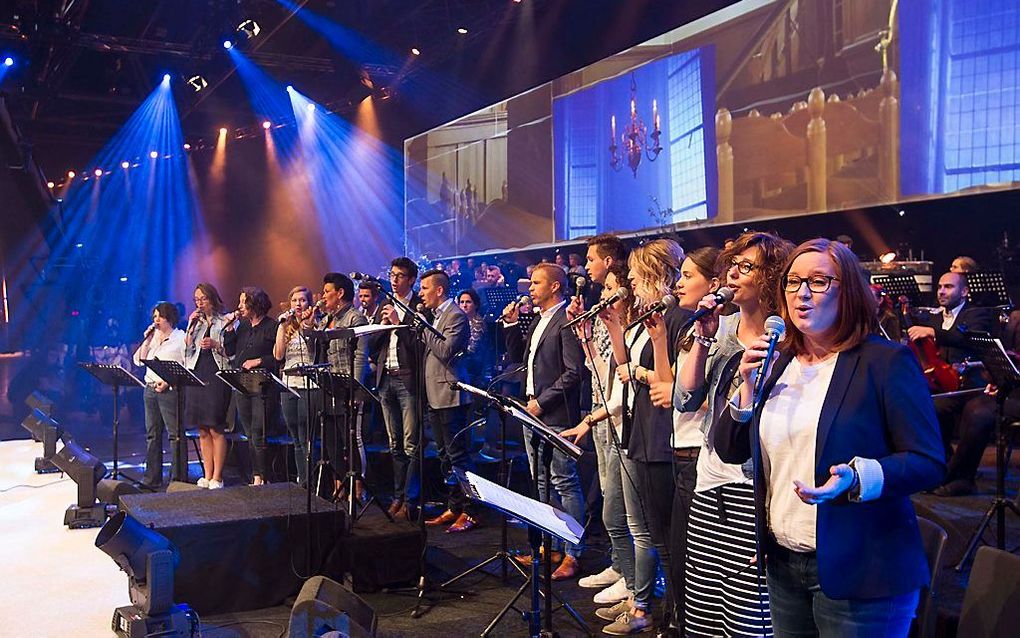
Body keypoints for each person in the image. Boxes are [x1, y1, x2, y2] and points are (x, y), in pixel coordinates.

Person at [714, 238, 945, 636]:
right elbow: (729, 449)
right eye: (793, 282)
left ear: (848, 289)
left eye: (819, 281)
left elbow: (928, 461)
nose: (802, 293)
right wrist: (748, 388)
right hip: (784, 565)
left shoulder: (885, 361)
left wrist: (859, 477)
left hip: (864, 570)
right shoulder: (778, 359)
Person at [567, 239, 689, 634]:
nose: (630, 283)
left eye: (635, 277)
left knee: (658, 536)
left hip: (659, 436)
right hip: (639, 430)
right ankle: (647, 606)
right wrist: (613, 329)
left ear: (654, 276)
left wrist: (638, 371)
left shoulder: (675, 320)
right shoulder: (647, 319)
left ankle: (657, 612)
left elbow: (666, 384)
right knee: (646, 527)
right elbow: (622, 369)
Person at [674, 231, 793, 637]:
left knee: (747, 613)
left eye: (747, 267)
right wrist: (704, 338)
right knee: (705, 607)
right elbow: (685, 399)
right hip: (710, 481)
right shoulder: (720, 329)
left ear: (772, 276)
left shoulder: (787, 339)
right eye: (732, 266)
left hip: (755, 485)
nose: (734, 275)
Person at [647, 246, 722, 636]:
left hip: (699, 452)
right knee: (677, 557)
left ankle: (682, 623)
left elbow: (683, 393)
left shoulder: (723, 333)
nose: (679, 282)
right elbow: (673, 388)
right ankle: (676, 620)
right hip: (681, 447)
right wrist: (659, 340)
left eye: (689, 275)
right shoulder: (695, 330)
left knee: (694, 561)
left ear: (714, 284)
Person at [502, 263, 585, 580]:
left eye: (536, 283)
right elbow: (521, 361)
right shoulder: (538, 319)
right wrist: (510, 327)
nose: (530, 287)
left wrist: (542, 402)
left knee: (564, 482)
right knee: (539, 482)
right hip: (531, 410)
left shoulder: (566, 320)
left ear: (555, 287)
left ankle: (572, 553)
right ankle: (546, 545)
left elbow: (574, 372)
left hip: (555, 414)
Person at [564, 263, 636, 608]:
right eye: (604, 289)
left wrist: (590, 419)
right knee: (610, 497)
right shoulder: (608, 328)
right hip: (603, 417)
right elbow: (599, 372)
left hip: (614, 420)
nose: (604, 295)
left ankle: (632, 579)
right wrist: (587, 338)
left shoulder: (632, 329)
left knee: (618, 509)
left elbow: (621, 390)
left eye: (611, 289)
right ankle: (620, 566)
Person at [907, 271, 995, 465]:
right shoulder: (935, 317)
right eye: (939, 287)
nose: (941, 292)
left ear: (964, 292)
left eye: (948, 287)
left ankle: (957, 473)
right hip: (943, 383)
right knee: (918, 405)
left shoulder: (976, 314)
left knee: (968, 414)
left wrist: (933, 332)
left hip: (971, 386)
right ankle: (940, 462)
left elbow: (968, 338)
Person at [419, 270, 479, 533]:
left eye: (424, 288)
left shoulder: (455, 315)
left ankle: (470, 510)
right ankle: (454, 506)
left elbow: (444, 350)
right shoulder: (438, 316)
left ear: (439, 290)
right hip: (435, 394)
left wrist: (423, 327)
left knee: (459, 456)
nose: (421, 293)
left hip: (451, 395)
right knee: (444, 456)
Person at [372, 257, 422, 520]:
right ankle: (397, 496)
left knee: (412, 443)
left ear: (411, 279)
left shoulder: (419, 306)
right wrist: (380, 326)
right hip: (385, 378)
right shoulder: (385, 303)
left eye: (400, 275)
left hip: (407, 379)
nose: (394, 279)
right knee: (394, 444)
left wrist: (398, 321)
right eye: (392, 274)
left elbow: (419, 346)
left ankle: (410, 501)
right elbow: (373, 346)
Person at [317, 272, 369, 498]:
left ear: (340, 293)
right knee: (331, 438)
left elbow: (360, 355)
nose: (323, 296)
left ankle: (358, 486)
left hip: (348, 385)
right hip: (330, 385)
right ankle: (340, 482)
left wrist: (355, 388)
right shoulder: (329, 319)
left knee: (351, 438)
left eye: (328, 291)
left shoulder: (355, 318)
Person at [224, 287, 279, 486]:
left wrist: (259, 361)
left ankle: (261, 476)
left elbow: (278, 358)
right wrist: (230, 330)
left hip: (263, 387)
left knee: (259, 431)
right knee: (248, 431)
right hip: (243, 384)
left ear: (255, 304)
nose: (239, 306)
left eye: (243, 302)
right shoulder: (244, 327)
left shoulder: (272, 326)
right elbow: (231, 351)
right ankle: (256, 474)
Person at [132, 301, 187, 488]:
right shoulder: (153, 337)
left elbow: (186, 365)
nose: (155, 320)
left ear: (169, 318)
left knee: (174, 435)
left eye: (159, 316)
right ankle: (151, 479)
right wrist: (147, 340)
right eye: (154, 316)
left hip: (169, 390)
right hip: (150, 388)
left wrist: (169, 381)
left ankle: (177, 479)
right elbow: (138, 361)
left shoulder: (180, 338)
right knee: (152, 435)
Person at [184, 283, 233, 489]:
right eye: (196, 299)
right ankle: (207, 473)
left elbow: (231, 353)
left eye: (203, 298)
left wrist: (215, 345)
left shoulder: (227, 321)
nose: (199, 303)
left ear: (212, 299)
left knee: (215, 427)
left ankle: (218, 476)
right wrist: (191, 326)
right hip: (198, 373)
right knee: (202, 429)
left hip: (217, 375)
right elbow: (187, 349)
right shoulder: (198, 323)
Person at [274, 286, 317, 486]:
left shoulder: (314, 323)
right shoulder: (286, 326)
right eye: (294, 301)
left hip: (309, 385)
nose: (298, 304)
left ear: (309, 303)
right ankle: (302, 480)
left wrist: (307, 325)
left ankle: (311, 482)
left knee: (306, 435)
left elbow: (314, 350)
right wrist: (282, 327)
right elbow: (278, 355)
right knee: (295, 437)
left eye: (302, 300)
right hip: (289, 385)